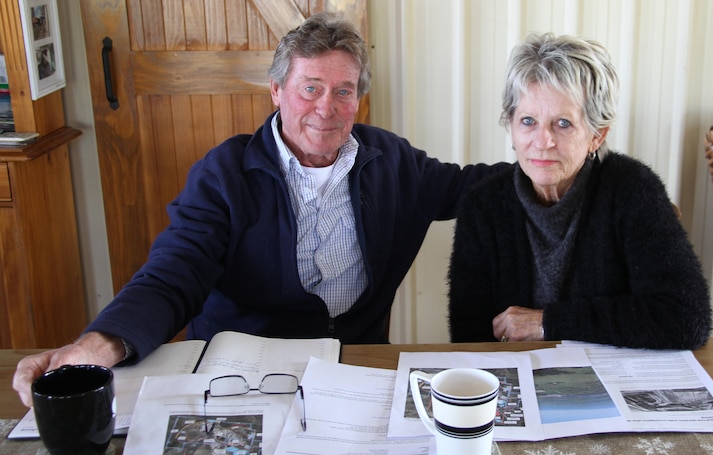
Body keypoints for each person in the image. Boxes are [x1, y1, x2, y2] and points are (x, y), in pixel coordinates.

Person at [13, 12, 500, 407]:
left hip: (351, 366)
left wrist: (558, 163)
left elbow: (471, 187)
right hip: (242, 378)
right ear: (276, 91)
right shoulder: (225, 174)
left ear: (358, 99)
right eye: (310, 87)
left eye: (343, 91)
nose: (326, 108)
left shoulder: (390, 162)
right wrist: (102, 343)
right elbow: (172, 273)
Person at [447, 33, 712, 349]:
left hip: (612, 381)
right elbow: (469, 337)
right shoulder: (483, 206)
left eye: (562, 124)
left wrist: (549, 323)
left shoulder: (632, 190)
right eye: (528, 121)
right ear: (511, 127)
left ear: (597, 135)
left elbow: (686, 317)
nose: (542, 141)